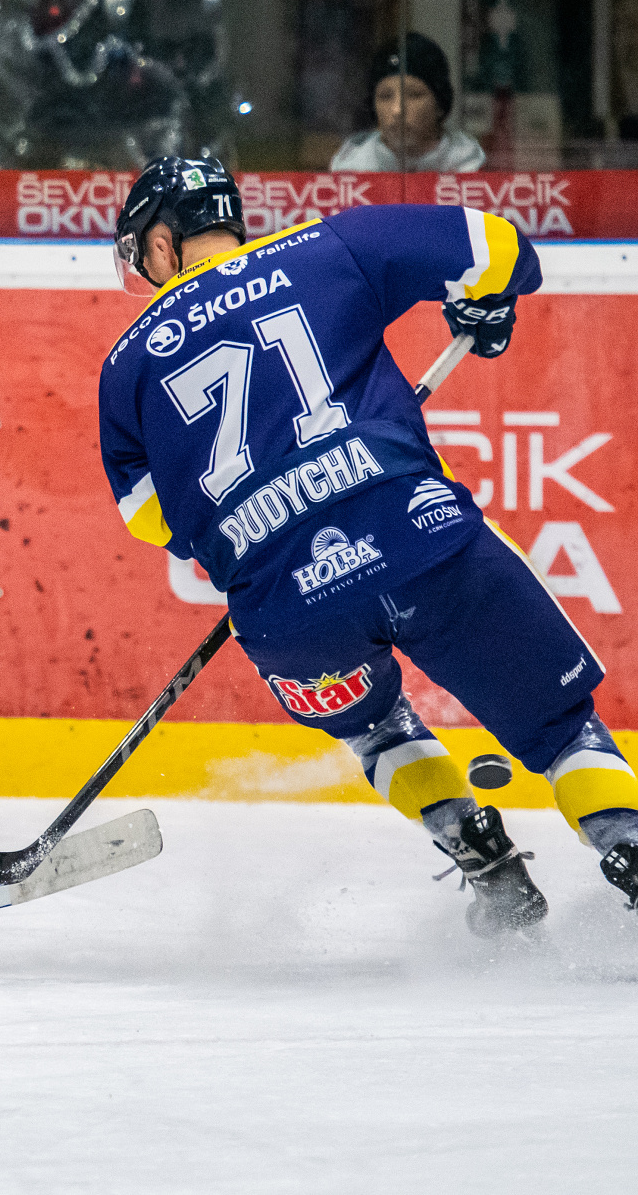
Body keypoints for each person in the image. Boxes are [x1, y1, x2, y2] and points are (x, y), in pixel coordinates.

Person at [100, 156, 638, 937]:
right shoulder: (329, 249)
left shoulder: (125, 368)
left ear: (157, 244)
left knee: (376, 726)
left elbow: (152, 520)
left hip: (285, 610)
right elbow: (503, 249)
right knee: (559, 727)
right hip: (422, 540)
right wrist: (483, 305)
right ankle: (625, 842)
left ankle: (479, 852)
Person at [330, 33, 485, 174]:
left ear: (439, 104)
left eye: (414, 95)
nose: (397, 109)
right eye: (385, 96)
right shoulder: (350, 170)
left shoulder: (470, 168)